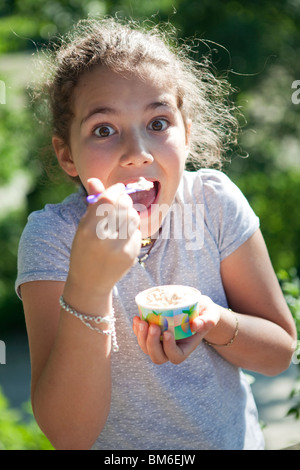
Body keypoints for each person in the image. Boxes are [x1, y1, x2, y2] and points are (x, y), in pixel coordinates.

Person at [16, 17, 296, 450]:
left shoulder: (213, 205)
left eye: (159, 123)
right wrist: (88, 286)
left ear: (186, 133)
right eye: (104, 130)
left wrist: (212, 320)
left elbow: (279, 354)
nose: (137, 153)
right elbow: (69, 435)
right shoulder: (53, 239)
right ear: (67, 155)